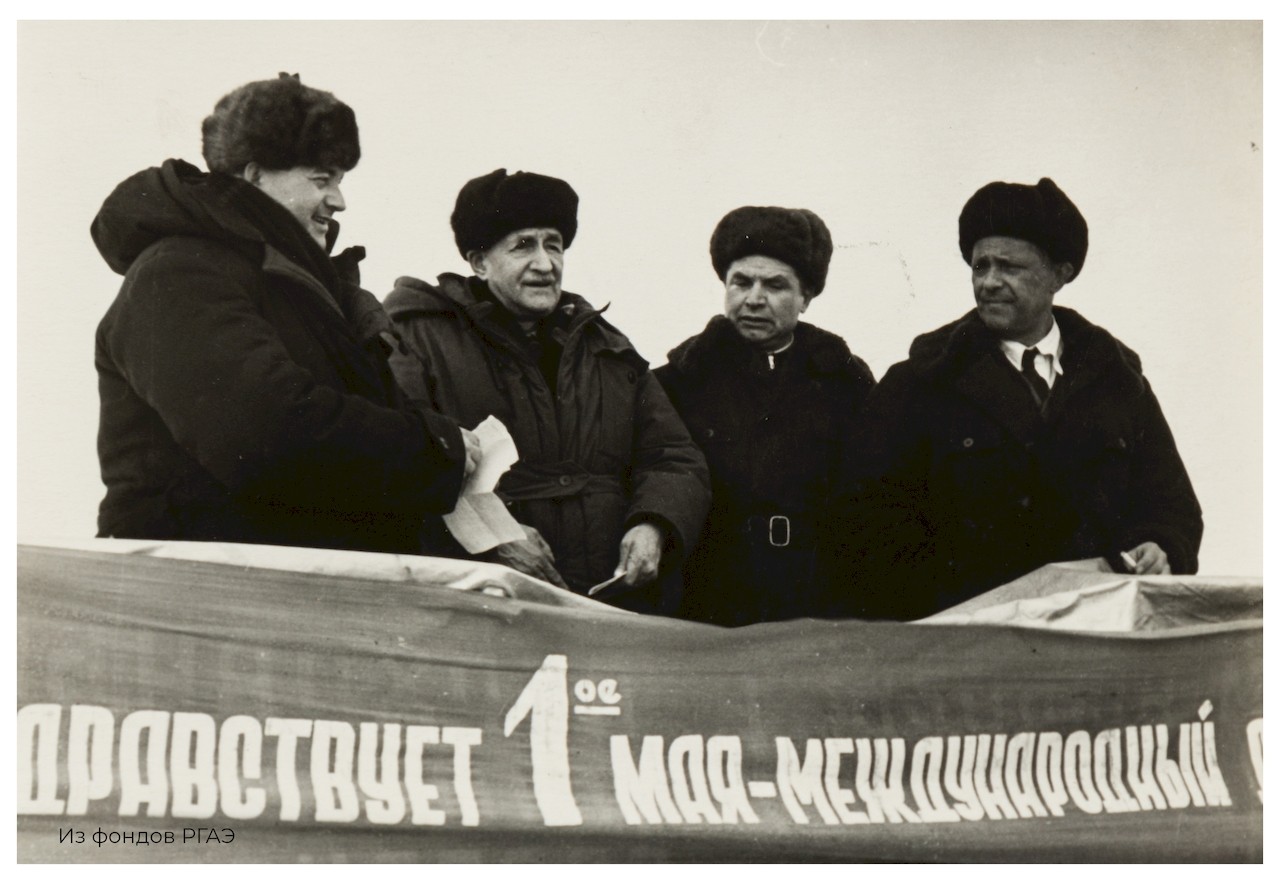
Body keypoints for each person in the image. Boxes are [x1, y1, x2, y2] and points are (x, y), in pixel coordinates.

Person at [92, 74, 477, 554]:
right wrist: (435, 448)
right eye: (321, 179)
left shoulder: (303, 288)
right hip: (211, 585)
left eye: (339, 181)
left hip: (292, 578)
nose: (339, 202)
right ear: (255, 175)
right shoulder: (178, 272)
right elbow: (264, 435)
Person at [845, 177, 1203, 619]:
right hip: (964, 635)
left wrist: (1160, 546)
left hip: (1098, 629)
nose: (989, 282)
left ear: (1060, 274)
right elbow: (863, 524)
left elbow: (1171, 507)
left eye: (1010, 267)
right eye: (980, 266)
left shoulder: (1117, 382)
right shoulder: (919, 383)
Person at [384, 169, 710, 612]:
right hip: (484, 601)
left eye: (553, 245)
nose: (545, 263)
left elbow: (672, 456)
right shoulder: (417, 338)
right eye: (523, 245)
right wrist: (495, 537)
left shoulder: (606, 347)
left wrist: (653, 524)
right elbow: (404, 454)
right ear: (479, 262)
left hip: (605, 601)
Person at [653, 206, 875, 626]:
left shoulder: (845, 381)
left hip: (817, 599)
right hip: (708, 599)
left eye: (775, 285)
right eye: (741, 282)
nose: (754, 299)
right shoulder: (678, 381)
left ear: (806, 297)